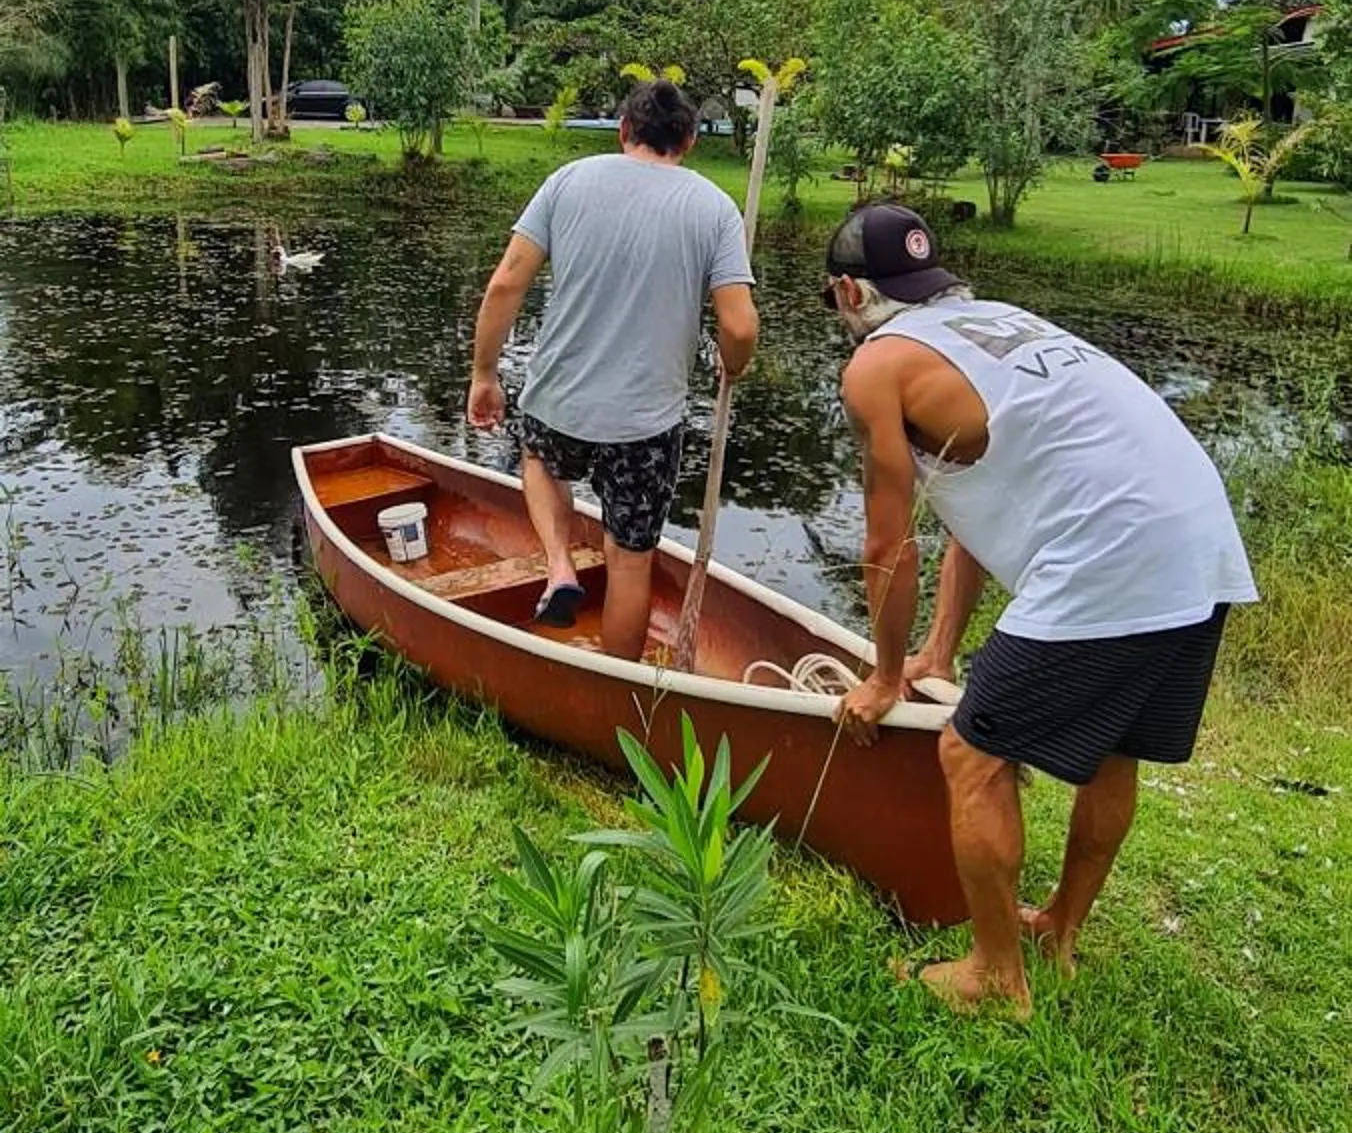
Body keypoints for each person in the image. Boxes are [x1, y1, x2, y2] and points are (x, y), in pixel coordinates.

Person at [823, 202, 1256, 1015]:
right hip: (1200, 542)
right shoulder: (993, 322)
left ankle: (995, 976)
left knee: (972, 753)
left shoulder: (876, 365)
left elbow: (888, 546)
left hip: (1112, 553)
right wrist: (936, 651)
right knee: (1117, 750)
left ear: (849, 293)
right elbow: (970, 512)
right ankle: (1059, 931)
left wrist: (883, 677)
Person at [467, 79, 759, 658]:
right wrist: (734, 364)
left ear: (624, 130)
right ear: (690, 141)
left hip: (558, 403)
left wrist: (484, 374)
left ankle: (560, 566)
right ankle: (618, 687)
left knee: (538, 459)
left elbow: (505, 284)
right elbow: (741, 327)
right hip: (646, 425)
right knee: (629, 561)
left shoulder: (568, 181)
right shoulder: (713, 208)